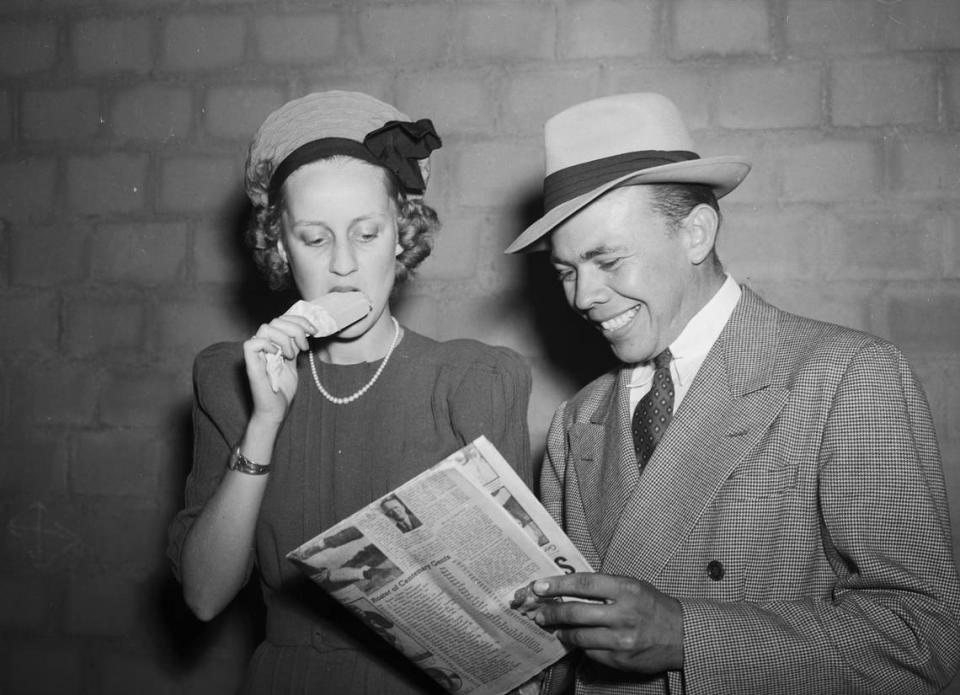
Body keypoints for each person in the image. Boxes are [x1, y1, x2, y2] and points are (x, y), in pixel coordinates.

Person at [505, 93, 960, 694]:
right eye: (566, 271)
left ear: (696, 233)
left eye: (608, 260)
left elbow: (922, 638)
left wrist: (690, 636)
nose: (583, 296)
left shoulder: (850, 376)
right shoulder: (576, 421)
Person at [167, 90, 532, 695]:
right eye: (314, 239)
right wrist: (264, 420)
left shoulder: (473, 381)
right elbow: (205, 597)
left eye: (366, 234)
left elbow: (513, 621)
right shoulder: (229, 380)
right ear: (280, 247)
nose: (343, 266)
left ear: (400, 235)